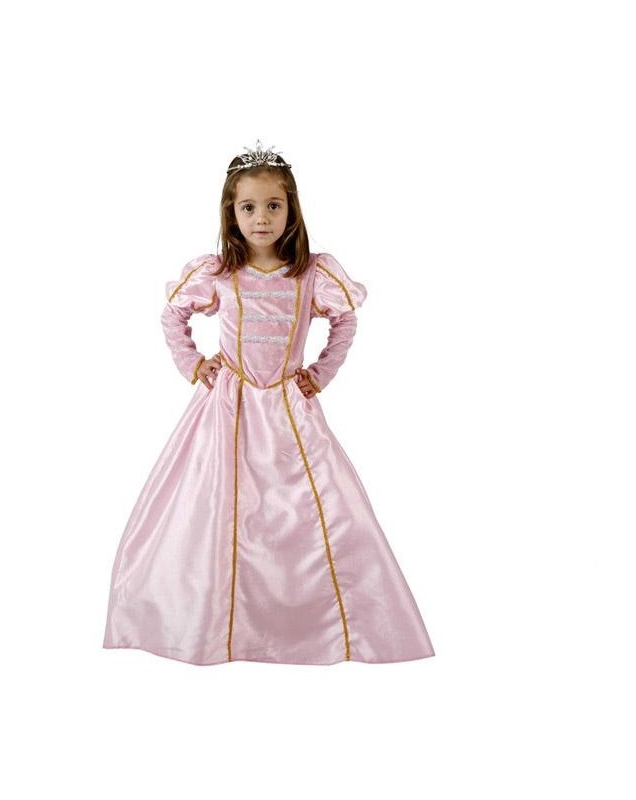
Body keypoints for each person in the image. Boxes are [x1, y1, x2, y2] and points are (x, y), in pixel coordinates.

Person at [103, 140, 435, 665]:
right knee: (216, 508)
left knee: (311, 508)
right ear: (231, 213)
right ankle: (212, 623)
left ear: (291, 210)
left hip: (288, 409)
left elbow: (346, 321)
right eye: (249, 207)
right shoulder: (220, 273)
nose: (261, 218)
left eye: (273, 206)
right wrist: (193, 363)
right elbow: (173, 315)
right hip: (227, 410)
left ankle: (310, 624)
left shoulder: (311, 275)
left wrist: (321, 373)